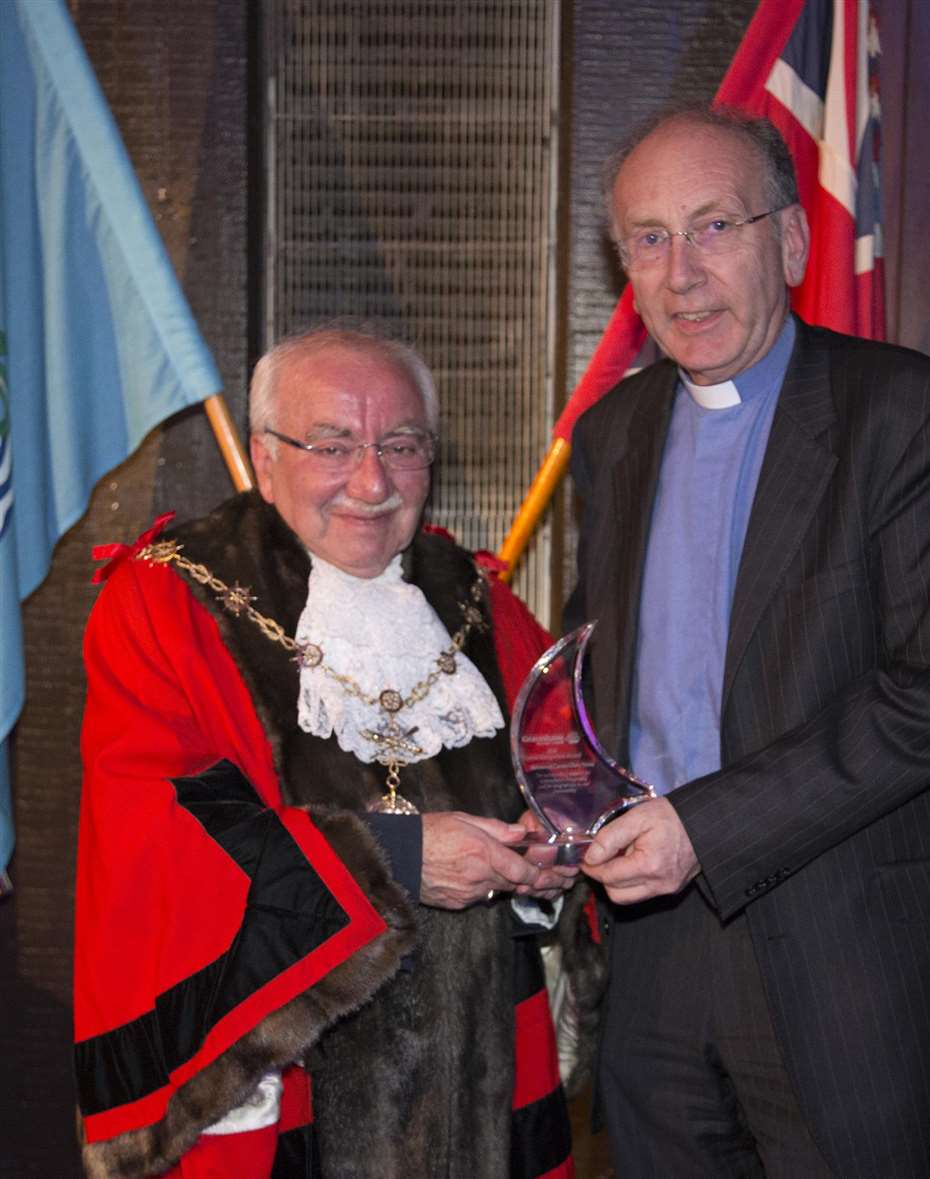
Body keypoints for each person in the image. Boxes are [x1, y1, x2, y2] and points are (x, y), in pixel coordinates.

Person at [565, 105, 930, 1179]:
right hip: (654, 953)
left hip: (850, 960)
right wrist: (560, 803)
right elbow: (603, 668)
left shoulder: (910, 415)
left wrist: (704, 827)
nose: (682, 274)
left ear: (795, 241)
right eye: (650, 239)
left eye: (715, 226)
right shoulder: (610, 435)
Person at [75, 326, 598, 1179]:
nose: (371, 480)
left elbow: (564, 777)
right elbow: (165, 838)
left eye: (402, 444)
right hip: (285, 1098)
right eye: (332, 444)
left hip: (480, 1083)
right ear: (263, 455)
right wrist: (393, 857)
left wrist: (548, 853)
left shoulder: (480, 604)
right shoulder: (166, 605)